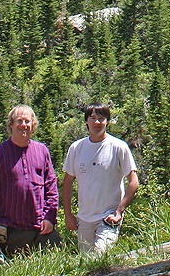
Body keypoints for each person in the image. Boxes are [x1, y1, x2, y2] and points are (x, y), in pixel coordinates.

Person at [0, 104, 61, 258]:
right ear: (11, 124)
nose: (23, 125)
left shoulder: (42, 150)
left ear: (33, 125)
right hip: (9, 231)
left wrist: (50, 218)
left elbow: (51, 187)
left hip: (40, 229)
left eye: (27, 121)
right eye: (19, 121)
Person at [62, 102, 139, 253]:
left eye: (101, 118)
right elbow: (67, 183)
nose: (97, 122)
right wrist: (68, 214)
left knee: (99, 256)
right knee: (86, 263)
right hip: (84, 218)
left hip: (108, 216)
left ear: (107, 121)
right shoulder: (76, 148)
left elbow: (133, 181)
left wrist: (119, 210)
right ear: (86, 121)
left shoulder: (118, 147)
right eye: (93, 118)